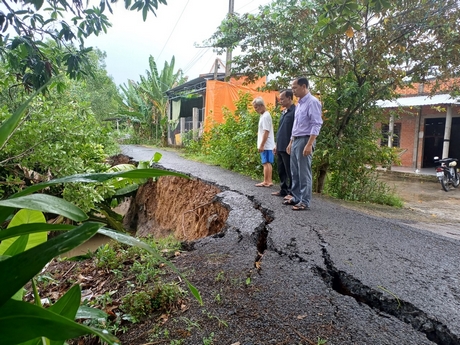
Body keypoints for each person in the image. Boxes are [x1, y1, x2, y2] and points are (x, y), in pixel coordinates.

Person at [284, 77, 323, 210]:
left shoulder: (313, 102)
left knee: (304, 172)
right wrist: (291, 141)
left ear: (304, 86)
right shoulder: (300, 103)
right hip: (296, 139)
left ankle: (304, 202)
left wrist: (309, 144)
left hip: (306, 139)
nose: (293, 90)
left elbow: (316, 124)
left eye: (295, 88)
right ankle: (296, 197)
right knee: (295, 171)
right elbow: (296, 125)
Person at [272, 89, 295, 198]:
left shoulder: (295, 112)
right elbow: (280, 129)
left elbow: (295, 130)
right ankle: (283, 189)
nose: (280, 101)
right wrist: (276, 145)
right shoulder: (284, 112)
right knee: (281, 169)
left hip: (288, 146)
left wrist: (291, 143)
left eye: (282, 99)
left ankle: (292, 191)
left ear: (289, 98)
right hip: (280, 145)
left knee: (289, 170)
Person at [252, 97, 276, 187]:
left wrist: (262, 145)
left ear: (262, 106)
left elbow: (266, 131)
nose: (255, 110)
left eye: (256, 107)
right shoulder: (263, 115)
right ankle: (268, 180)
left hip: (266, 144)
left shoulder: (266, 116)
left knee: (266, 163)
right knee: (266, 162)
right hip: (267, 144)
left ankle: (267, 181)